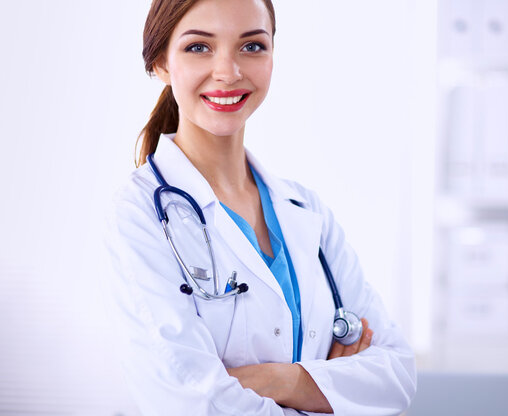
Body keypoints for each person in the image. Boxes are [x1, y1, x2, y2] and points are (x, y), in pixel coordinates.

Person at [104, 0, 417, 414]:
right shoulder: (140, 213)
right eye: (199, 47)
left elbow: (396, 375)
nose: (228, 72)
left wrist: (278, 379)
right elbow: (190, 403)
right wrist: (326, 392)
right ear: (162, 63)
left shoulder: (306, 210)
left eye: (252, 47)